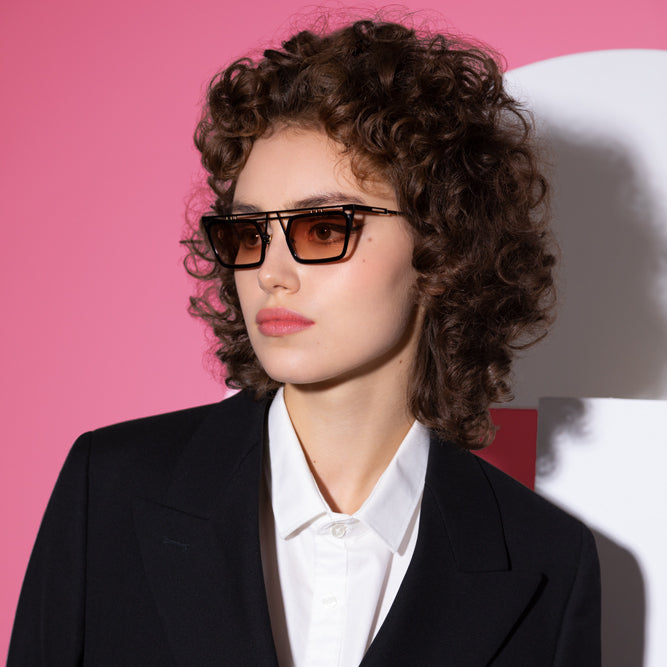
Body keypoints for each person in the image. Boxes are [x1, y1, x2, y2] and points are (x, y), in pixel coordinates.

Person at [8, 17, 600, 666]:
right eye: (249, 234)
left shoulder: (548, 561)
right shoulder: (111, 487)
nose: (271, 273)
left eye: (322, 229)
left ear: (443, 244)